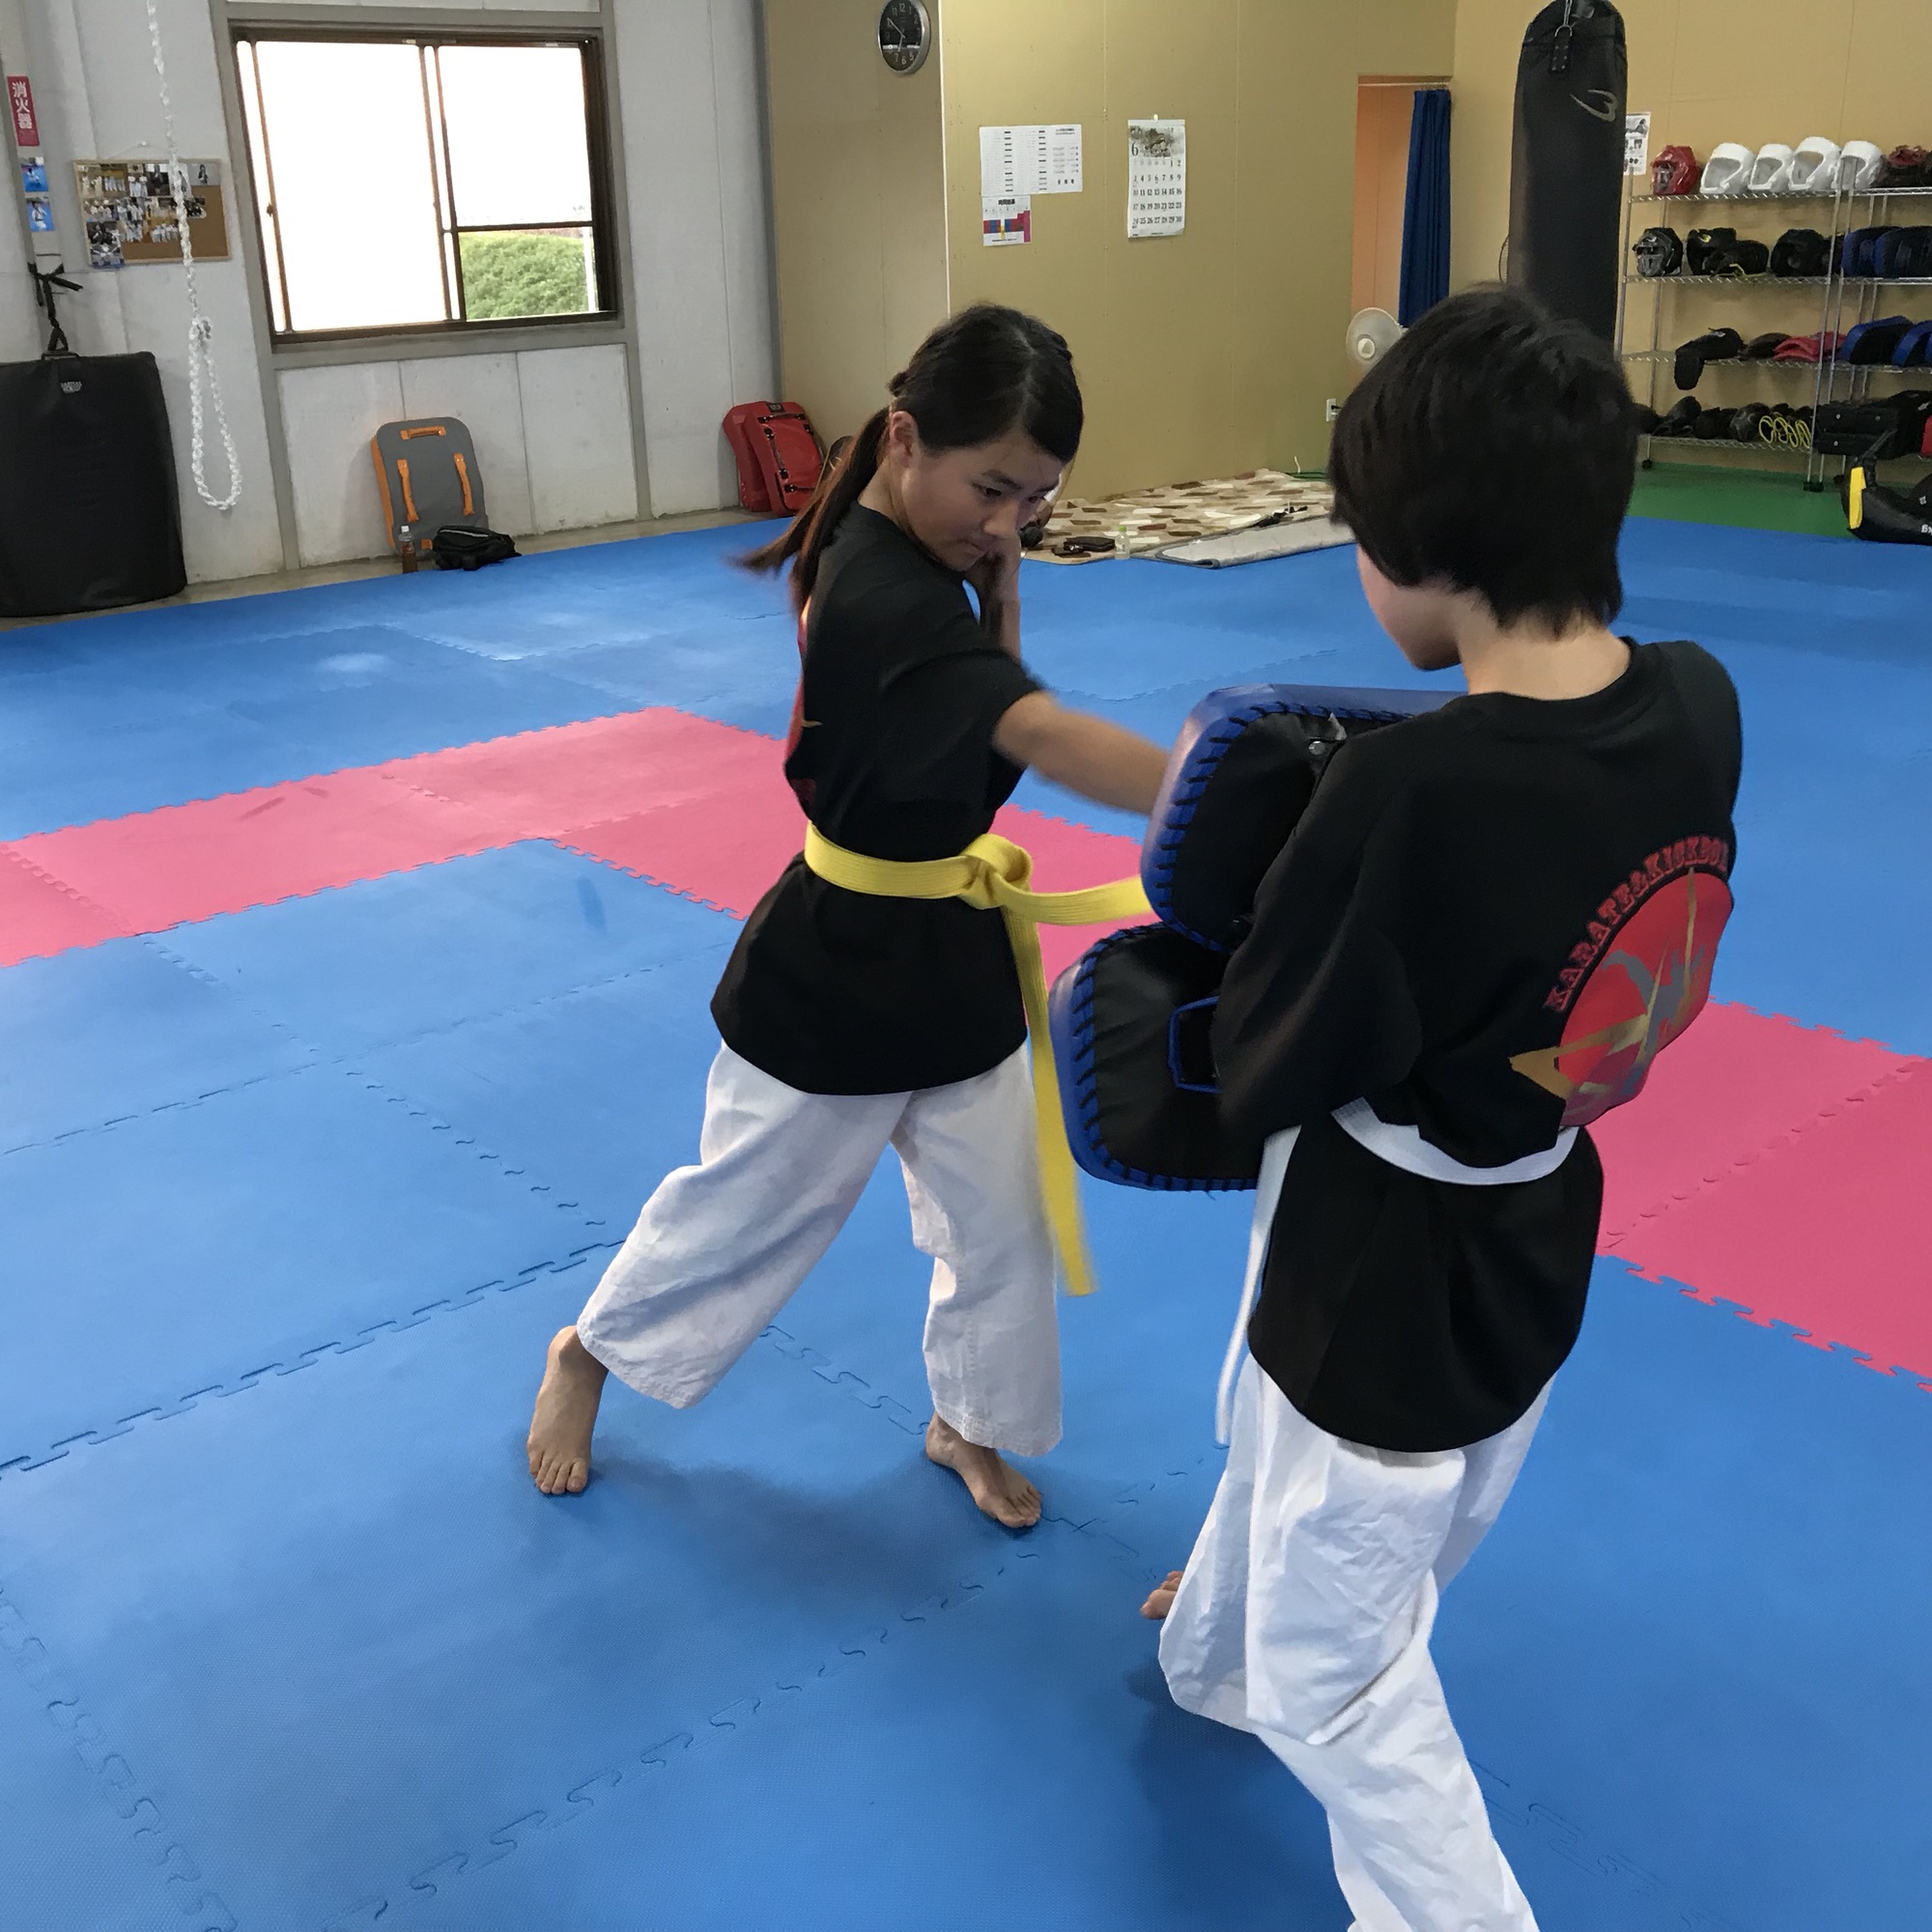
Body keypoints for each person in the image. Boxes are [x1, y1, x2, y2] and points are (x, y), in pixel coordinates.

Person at [1142, 288, 1743, 1932]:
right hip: (1540, 1216)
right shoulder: (1699, 701)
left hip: (1380, 1258)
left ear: (1424, 551)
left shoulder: (1402, 791)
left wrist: (1197, 979)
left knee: (1338, 1665)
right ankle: (1215, 1654)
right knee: (1356, 1489)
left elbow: (1271, 1059)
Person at [527, 305, 1169, 1525]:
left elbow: (985, 714)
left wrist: (1003, 602)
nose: (1008, 524)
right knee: (746, 1214)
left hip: (952, 952)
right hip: (834, 967)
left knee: (1003, 1225)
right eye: (991, 489)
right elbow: (1033, 730)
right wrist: (1221, 793)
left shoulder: (916, 543)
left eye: (1035, 498)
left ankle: (966, 1419)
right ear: (905, 440)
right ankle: (587, 1350)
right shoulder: (879, 590)